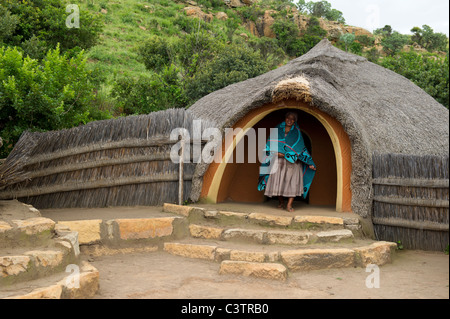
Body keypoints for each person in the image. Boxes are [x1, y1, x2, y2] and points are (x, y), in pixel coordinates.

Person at [257, 112, 316, 212]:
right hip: (278, 163)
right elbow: (269, 147)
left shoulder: (297, 134)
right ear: (285, 118)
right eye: (288, 118)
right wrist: (281, 154)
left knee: (292, 184)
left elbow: (300, 149)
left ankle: (289, 205)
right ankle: (281, 202)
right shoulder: (277, 130)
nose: (289, 120)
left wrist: (310, 163)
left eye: (292, 119)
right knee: (278, 183)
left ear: (295, 121)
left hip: (293, 164)